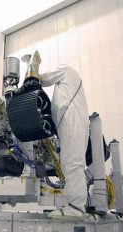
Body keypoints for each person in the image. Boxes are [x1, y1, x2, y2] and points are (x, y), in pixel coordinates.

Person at [40, 66, 90, 219]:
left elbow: (44, 79)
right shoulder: (69, 83)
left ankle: (75, 208)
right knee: (70, 165)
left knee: (73, 164)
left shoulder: (66, 70)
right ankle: (75, 206)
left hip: (71, 123)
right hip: (69, 125)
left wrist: (33, 73)